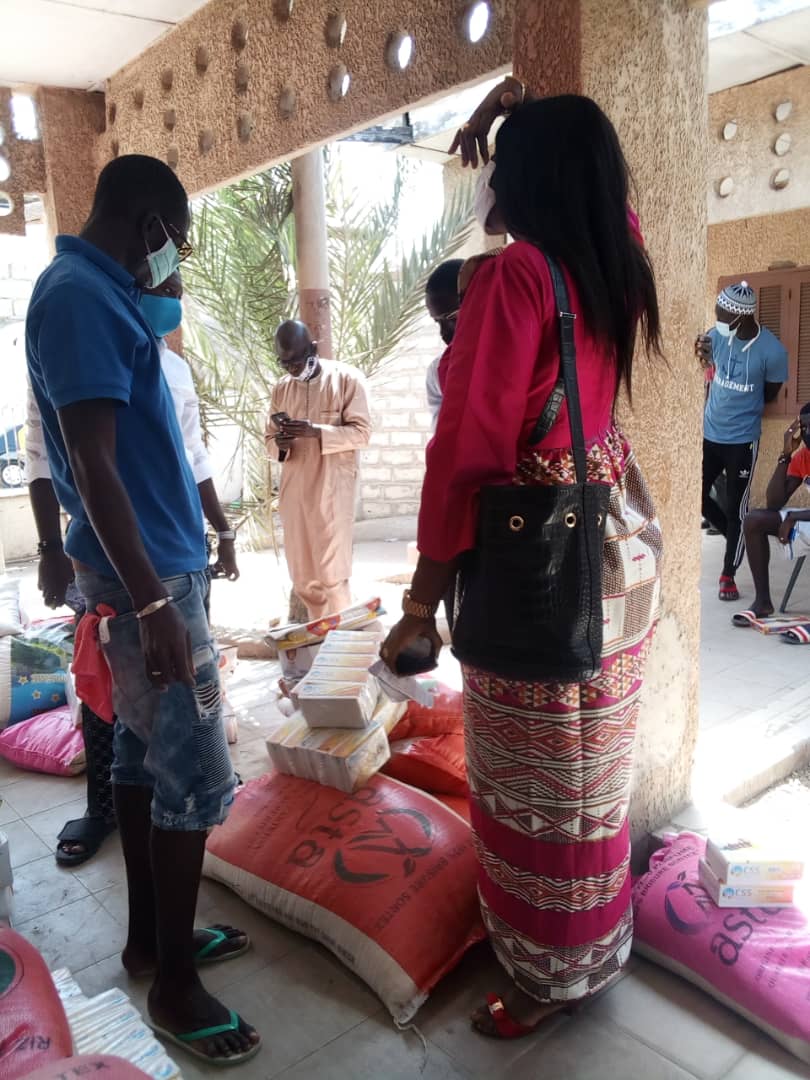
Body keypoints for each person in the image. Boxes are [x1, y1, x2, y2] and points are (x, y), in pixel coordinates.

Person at [381, 80, 663, 1040]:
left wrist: (422, 601)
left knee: (539, 782)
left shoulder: (513, 282)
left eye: (500, 170)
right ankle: (597, 944)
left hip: (537, 558)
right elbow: (596, 177)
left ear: (529, 179)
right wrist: (511, 108)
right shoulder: (612, 261)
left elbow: (467, 450)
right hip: (615, 556)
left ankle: (545, 974)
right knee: (594, 776)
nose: (487, 183)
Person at [25, 154, 259, 1066]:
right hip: (146, 577)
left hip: (144, 569)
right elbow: (90, 461)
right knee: (193, 775)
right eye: (178, 246)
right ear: (150, 226)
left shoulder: (92, 290)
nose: (178, 267)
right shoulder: (81, 296)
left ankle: (148, 941)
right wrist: (159, 597)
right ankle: (173, 985)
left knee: (136, 749)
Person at [26, 270, 240, 867]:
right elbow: (58, 458)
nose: (172, 298)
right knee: (177, 756)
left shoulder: (169, 365)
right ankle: (171, 958)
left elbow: (193, 458)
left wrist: (221, 532)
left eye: (178, 291)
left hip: (173, 562)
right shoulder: (79, 314)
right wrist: (53, 551)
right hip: (140, 573)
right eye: (165, 283)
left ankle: (153, 939)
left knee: (141, 731)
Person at [265, 320, 372, 620]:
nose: (291, 369)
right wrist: (282, 442)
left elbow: (362, 433)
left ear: (312, 349)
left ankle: (343, 647)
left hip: (331, 491)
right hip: (294, 491)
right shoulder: (281, 389)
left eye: (296, 361)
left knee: (332, 576)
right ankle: (319, 649)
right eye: (284, 363)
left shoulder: (347, 379)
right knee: (303, 579)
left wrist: (317, 431)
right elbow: (269, 442)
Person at [696, 282, 788, 602]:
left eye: (722, 314)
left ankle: (728, 574)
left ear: (740, 316)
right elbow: (708, 367)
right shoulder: (718, 335)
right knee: (697, 497)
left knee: (737, 505)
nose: (717, 319)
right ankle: (735, 535)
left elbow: (771, 394)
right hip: (710, 433)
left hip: (742, 441)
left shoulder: (773, 352)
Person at [738, 404, 810, 620]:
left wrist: (794, 517)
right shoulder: (804, 457)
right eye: (804, 427)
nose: (807, 433)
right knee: (753, 521)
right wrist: (785, 455)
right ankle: (762, 602)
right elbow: (774, 502)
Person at [424, 260, 463, 431]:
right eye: (437, 322)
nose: (443, 333)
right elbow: (444, 438)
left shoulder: (518, 360)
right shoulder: (438, 372)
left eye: (451, 318)